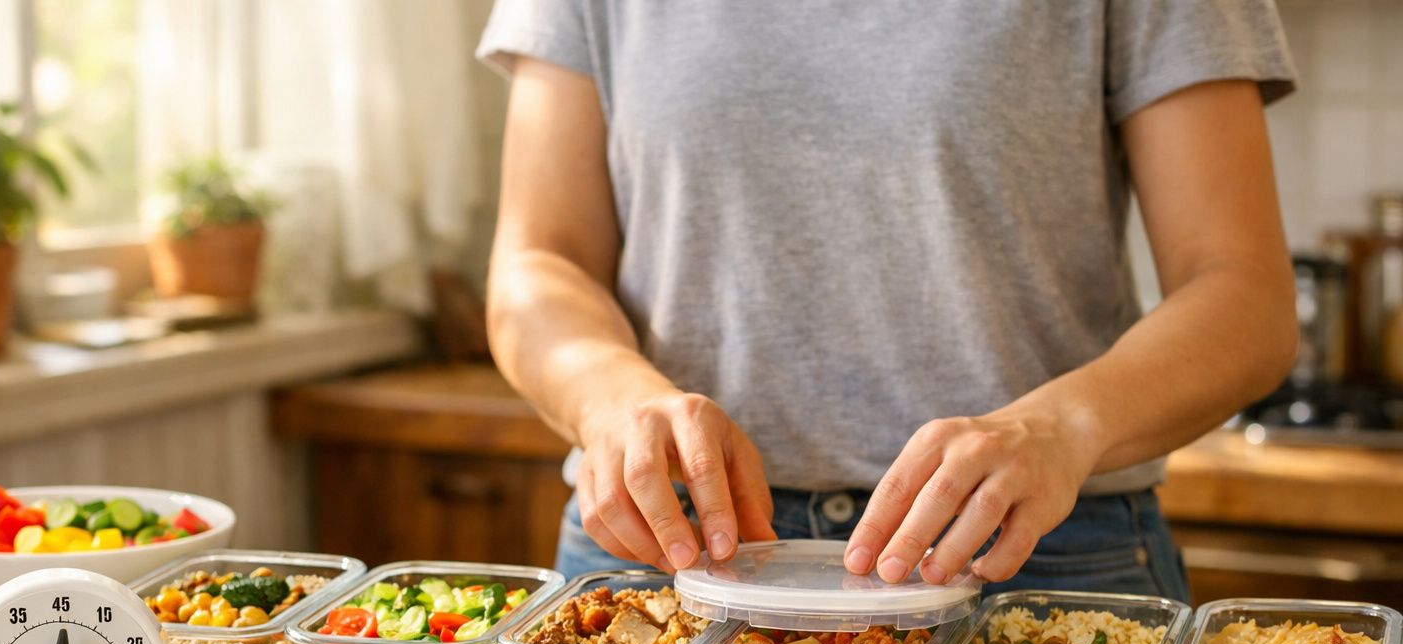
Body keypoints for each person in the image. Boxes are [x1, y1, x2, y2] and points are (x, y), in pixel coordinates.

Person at [477, 2, 1297, 602]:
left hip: (1030, 561)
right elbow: (540, 262)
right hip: (663, 549)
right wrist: (612, 401)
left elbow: (1243, 295)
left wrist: (1061, 428)